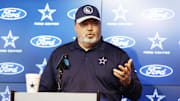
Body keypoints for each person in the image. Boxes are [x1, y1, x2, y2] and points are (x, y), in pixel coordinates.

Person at [39, 4, 142, 101]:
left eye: (94, 23)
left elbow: (136, 94)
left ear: (100, 26)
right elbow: (44, 91)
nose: (90, 28)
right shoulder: (59, 54)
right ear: (75, 27)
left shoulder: (118, 55)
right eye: (84, 24)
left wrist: (128, 83)